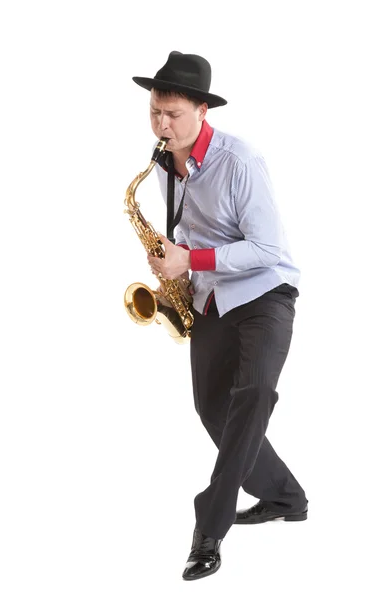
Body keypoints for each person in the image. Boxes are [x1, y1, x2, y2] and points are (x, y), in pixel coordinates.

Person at [132, 51, 308, 581]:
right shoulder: (165, 164)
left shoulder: (242, 161)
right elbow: (189, 236)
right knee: (213, 410)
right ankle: (286, 497)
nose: (163, 125)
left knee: (251, 396)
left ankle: (209, 528)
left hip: (264, 297)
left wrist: (194, 259)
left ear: (202, 110)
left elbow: (267, 247)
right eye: (155, 112)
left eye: (174, 114)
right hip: (209, 300)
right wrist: (173, 265)